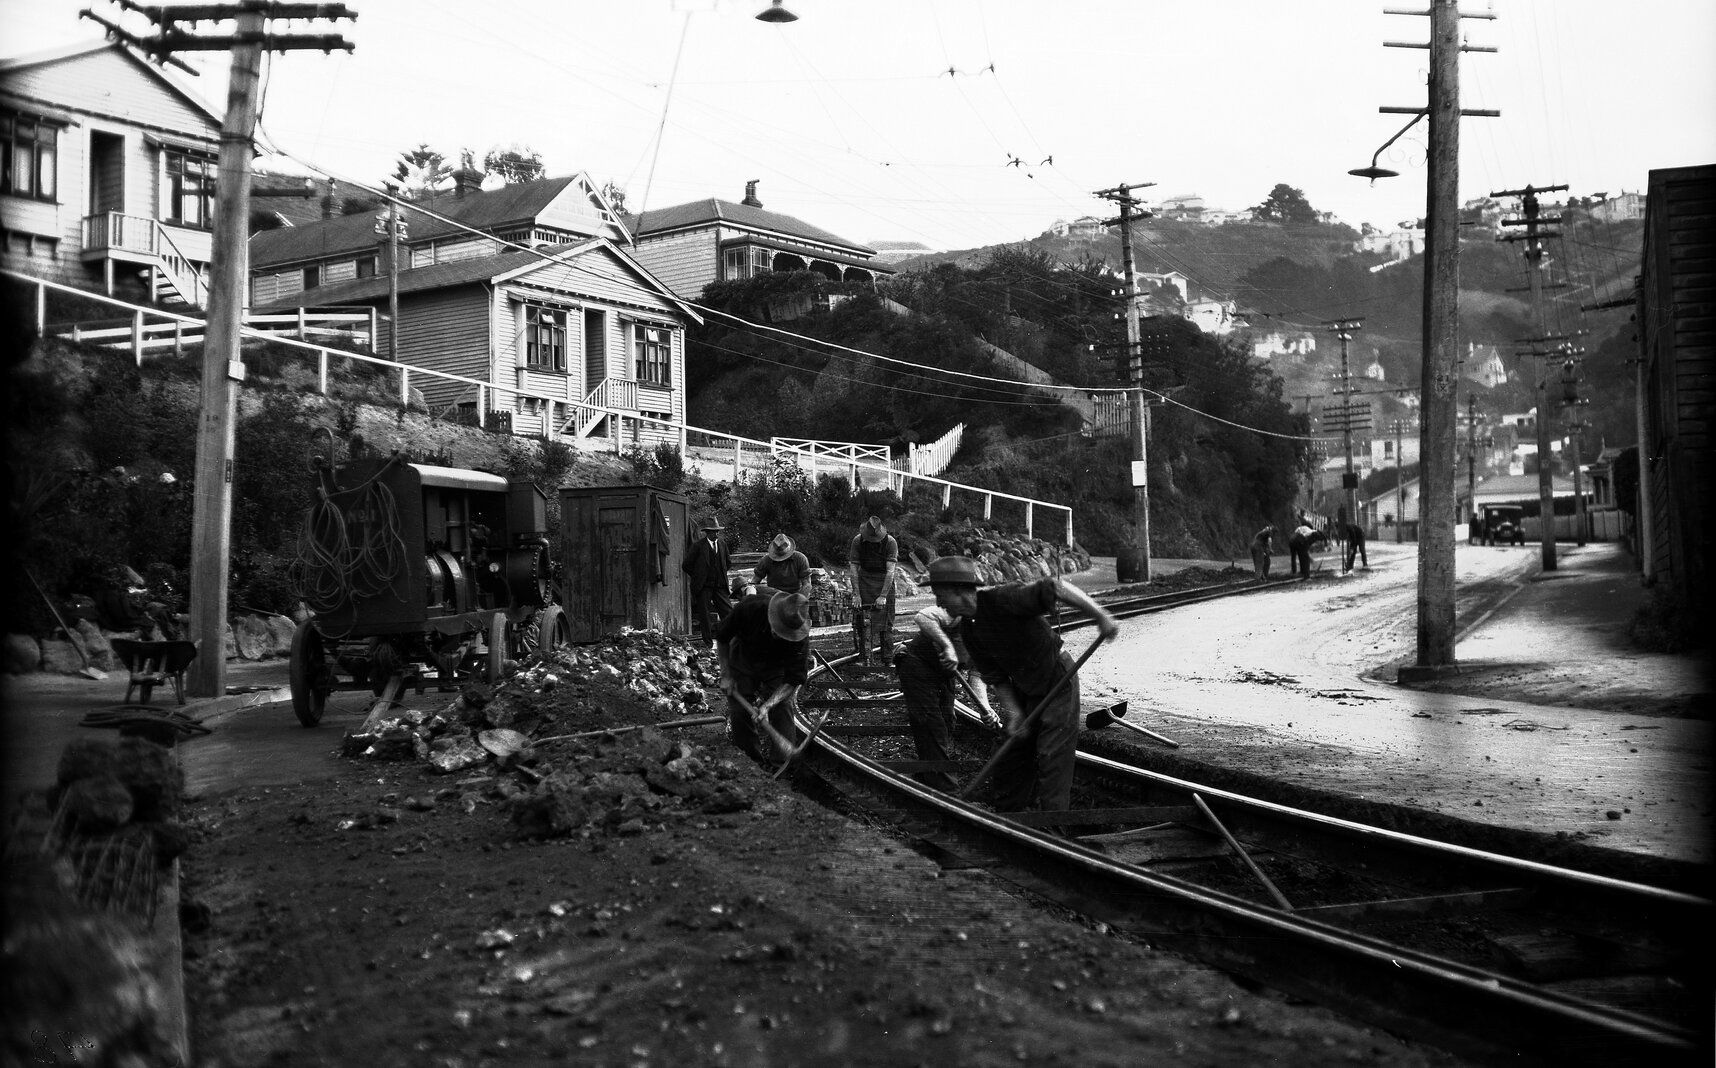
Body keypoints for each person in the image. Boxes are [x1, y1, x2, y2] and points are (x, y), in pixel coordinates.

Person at [924, 555, 1119, 814]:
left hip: (1057, 678)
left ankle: (1052, 825)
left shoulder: (1002, 598)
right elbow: (995, 677)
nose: (938, 603)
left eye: (941, 595)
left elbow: (1055, 587)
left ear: (960, 590)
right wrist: (1016, 714)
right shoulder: (969, 631)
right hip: (1025, 688)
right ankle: (1009, 815)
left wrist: (1100, 615)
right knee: (1011, 751)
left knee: (1052, 753)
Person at [892, 596, 996, 792]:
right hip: (917, 663)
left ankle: (927, 773)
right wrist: (946, 645)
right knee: (931, 725)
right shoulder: (963, 614)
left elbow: (977, 674)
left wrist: (985, 708)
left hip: (944, 673)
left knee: (948, 721)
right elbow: (923, 617)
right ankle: (947, 791)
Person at [716, 590, 811, 760]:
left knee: (783, 706)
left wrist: (768, 705)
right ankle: (750, 761)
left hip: (776, 664)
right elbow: (722, 637)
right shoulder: (749, 608)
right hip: (744, 656)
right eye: (778, 629)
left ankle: (782, 762)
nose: (778, 635)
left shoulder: (799, 639)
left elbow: (793, 679)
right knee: (739, 710)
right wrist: (726, 675)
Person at [847, 515, 898, 663]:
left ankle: (887, 659)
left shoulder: (890, 542)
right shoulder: (857, 541)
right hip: (865, 580)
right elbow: (854, 569)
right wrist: (857, 594)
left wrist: (883, 596)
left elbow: (890, 572)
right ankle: (864, 657)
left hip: (884, 580)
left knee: (886, 624)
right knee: (862, 621)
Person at [681, 518, 733, 647]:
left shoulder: (722, 545)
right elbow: (686, 565)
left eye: (717, 531)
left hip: (719, 585)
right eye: (713, 532)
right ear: (707, 532)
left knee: (728, 612)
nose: (716, 534)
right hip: (704, 586)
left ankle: (730, 640)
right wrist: (698, 576)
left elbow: (728, 563)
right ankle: (708, 644)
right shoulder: (698, 546)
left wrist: (720, 575)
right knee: (705, 615)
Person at [752, 533, 812, 597]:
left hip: (794, 594)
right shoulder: (766, 560)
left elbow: (807, 584)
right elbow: (755, 580)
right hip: (773, 595)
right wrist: (750, 591)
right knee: (756, 588)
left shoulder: (800, 558)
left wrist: (799, 599)